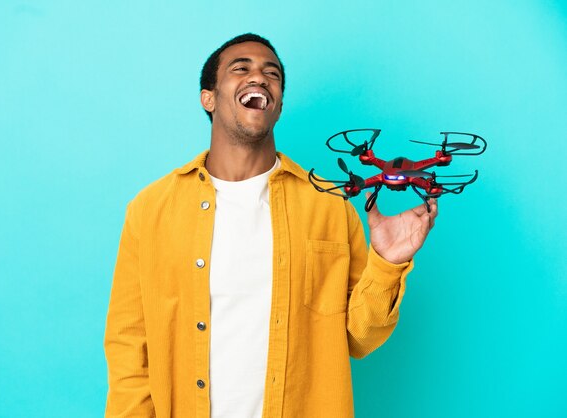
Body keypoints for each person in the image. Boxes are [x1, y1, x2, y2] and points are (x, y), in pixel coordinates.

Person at [104, 33, 437, 418]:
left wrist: (387, 263)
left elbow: (359, 338)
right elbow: (129, 346)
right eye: (240, 68)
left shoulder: (329, 205)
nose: (259, 77)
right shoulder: (150, 210)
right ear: (208, 97)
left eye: (272, 73)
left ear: (277, 106)